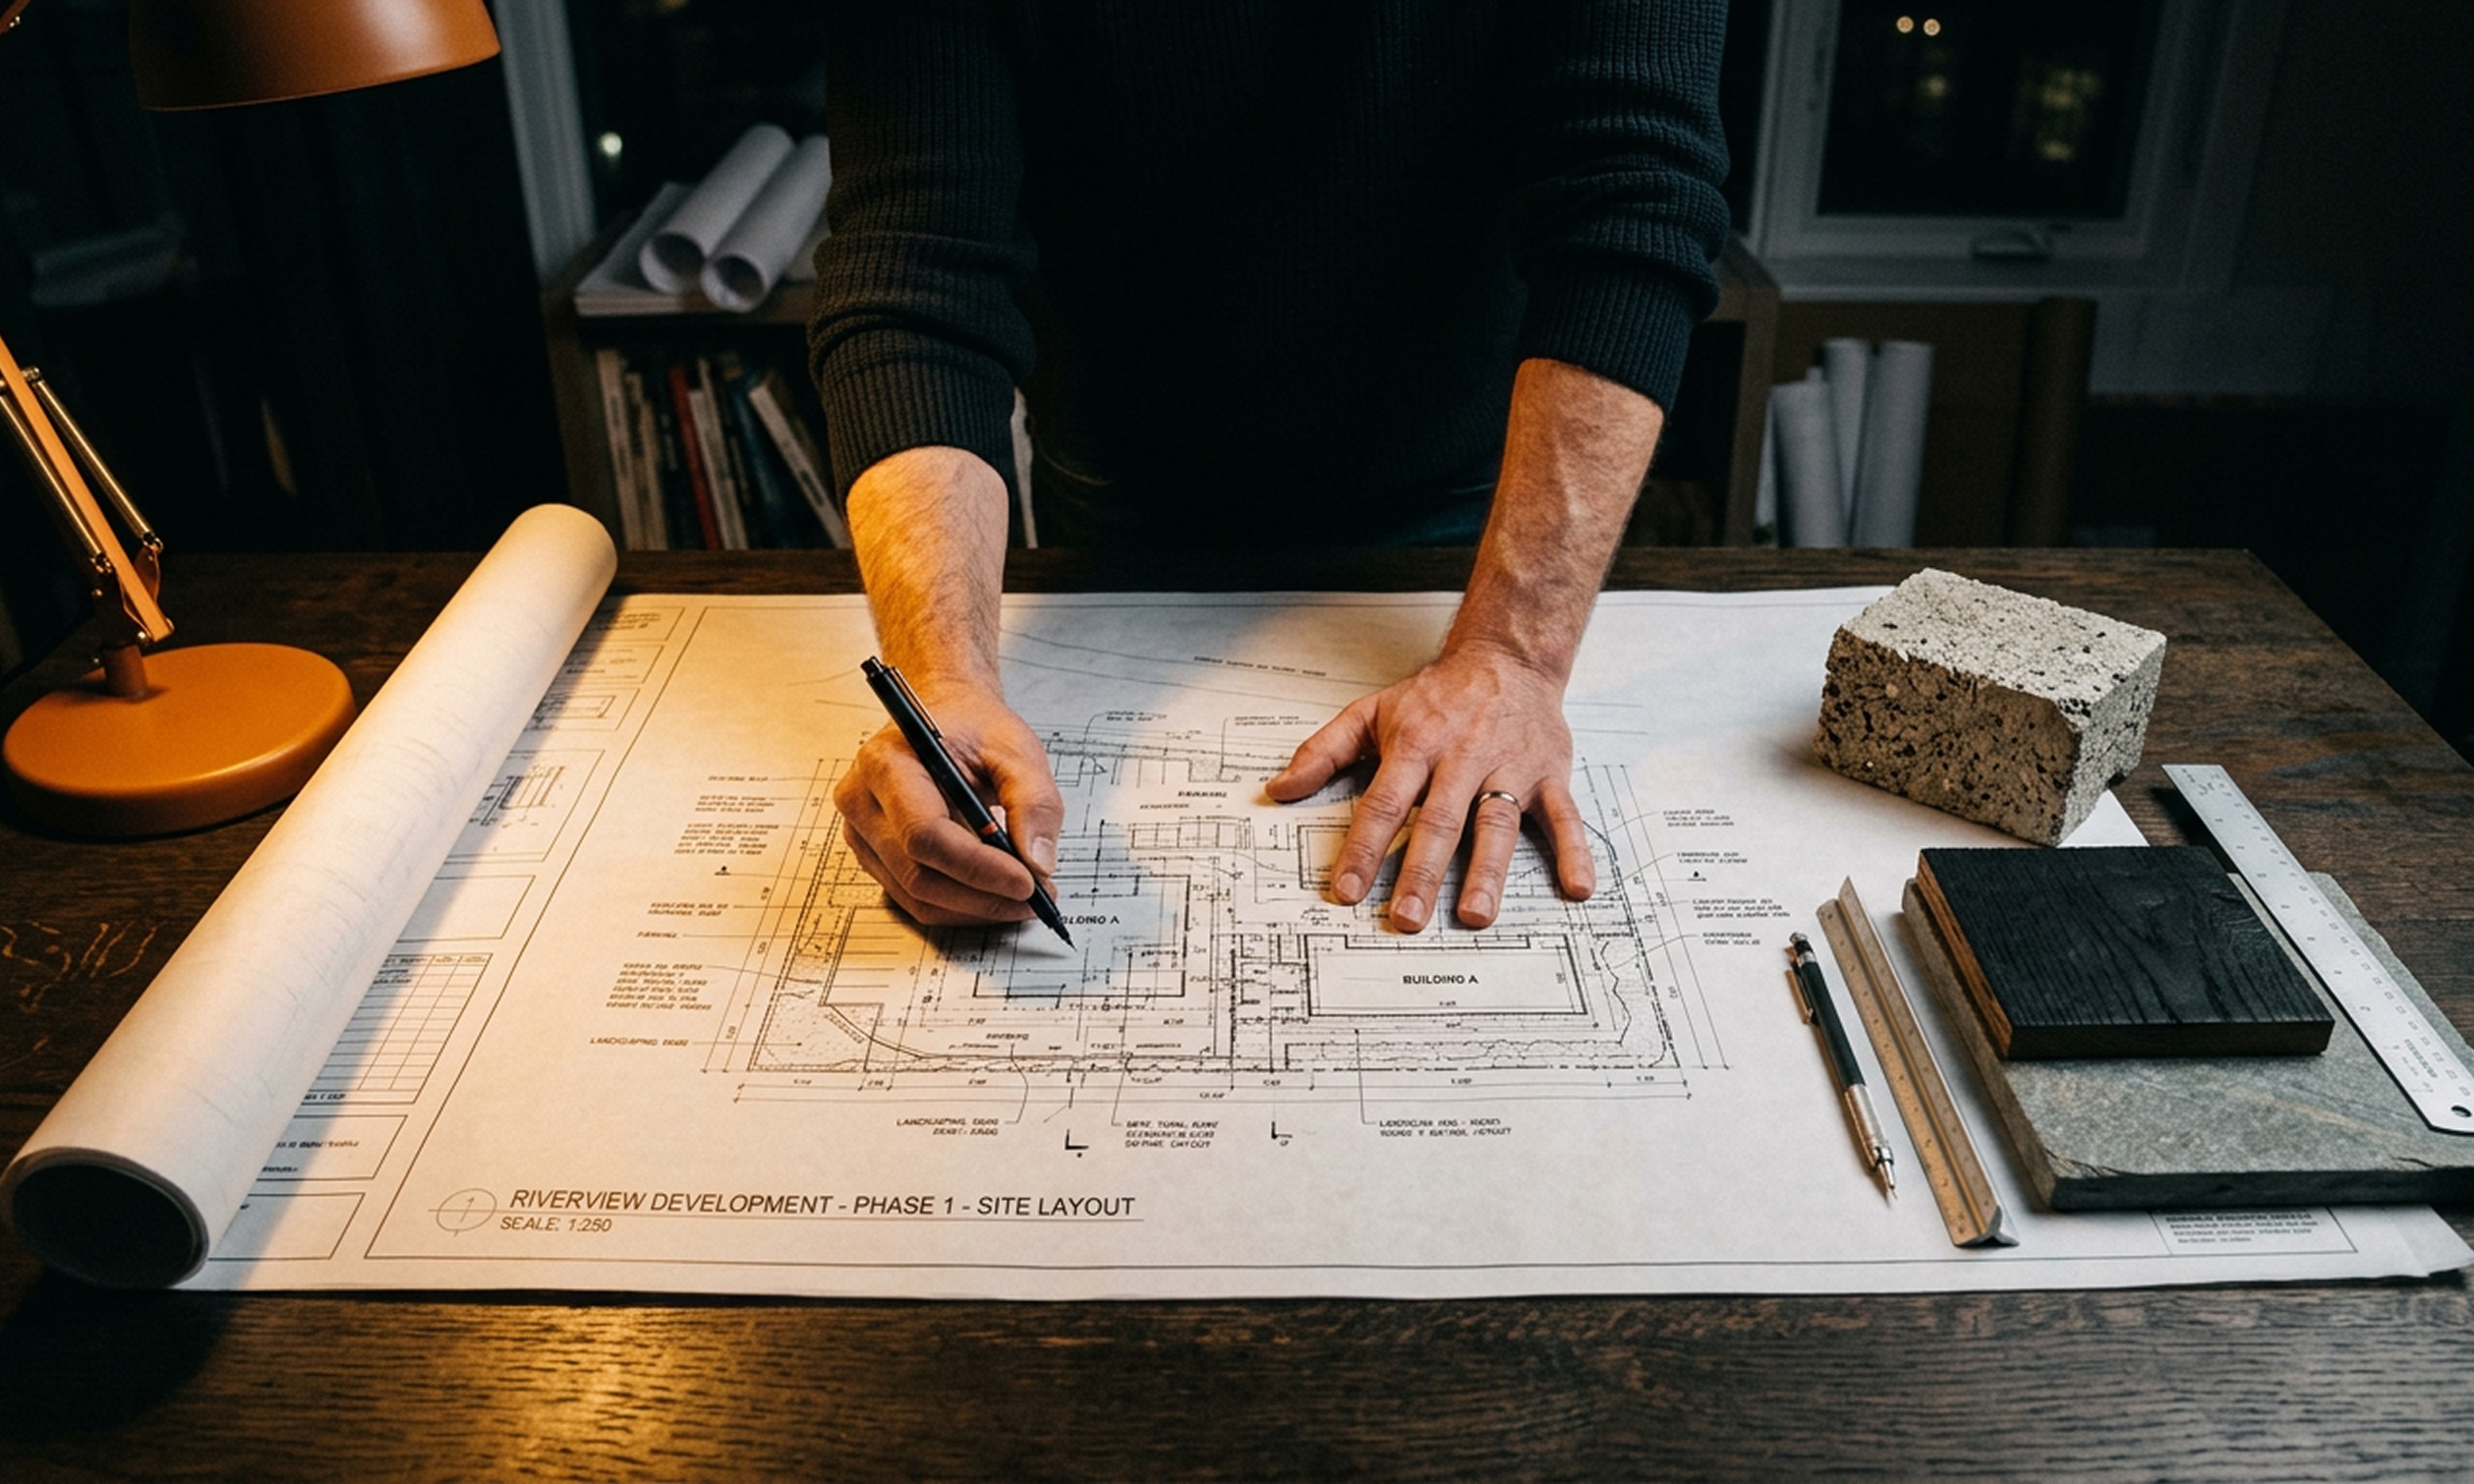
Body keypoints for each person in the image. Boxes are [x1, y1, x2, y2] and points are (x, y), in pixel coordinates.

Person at [809, 3, 1730, 936]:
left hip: (1468, 492)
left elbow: (1632, 203)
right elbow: (919, 266)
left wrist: (1514, 656)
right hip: (1120, 484)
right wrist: (943, 683)